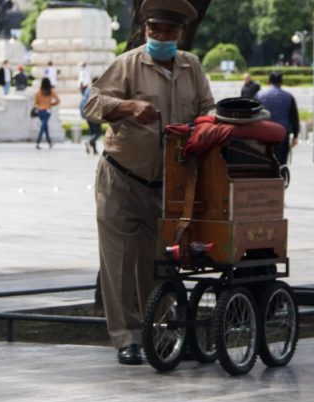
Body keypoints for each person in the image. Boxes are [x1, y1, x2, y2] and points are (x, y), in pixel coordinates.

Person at [83, 0, 214, 365]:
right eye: (154, 30)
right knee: (118, 264)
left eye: (168, 32)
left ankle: (161, 332)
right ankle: (124, 337)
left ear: (181, 34)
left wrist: (210, 125)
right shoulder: (127, 64)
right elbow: (90, 104)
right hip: (120, 179)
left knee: (159, 264)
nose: (160, 36)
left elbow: (207, 108)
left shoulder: (192, 67)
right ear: (145, 30)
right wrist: (128, 108)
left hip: (167, 185)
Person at [256, 71, 300, 166]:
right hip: (282, 134)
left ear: (268, 81)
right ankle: (281, 179)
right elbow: (294, 117)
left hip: (264, 134)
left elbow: (254, 115)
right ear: (281, 82)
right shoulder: (289, 97)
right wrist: (295, 135)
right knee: (281, 163)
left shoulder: (259, 96)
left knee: (265, 162)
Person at [34, 77, 60, 149]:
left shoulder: (39, 92)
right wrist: (51, 104)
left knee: (44, 126)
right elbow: (58, 100)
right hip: (47, 111)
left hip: (40, 111)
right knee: (43, 127)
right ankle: (38, 142)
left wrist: (41, 105)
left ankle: (49, 142)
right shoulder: (51, 91)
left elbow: (36, 102)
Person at [80, 76, 102, 155]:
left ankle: (95, 150)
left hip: (86, 114)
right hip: (93, 114)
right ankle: (89, 142)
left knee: (93, 133)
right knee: (98, 133)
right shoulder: (96, 91)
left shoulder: (88, 90)